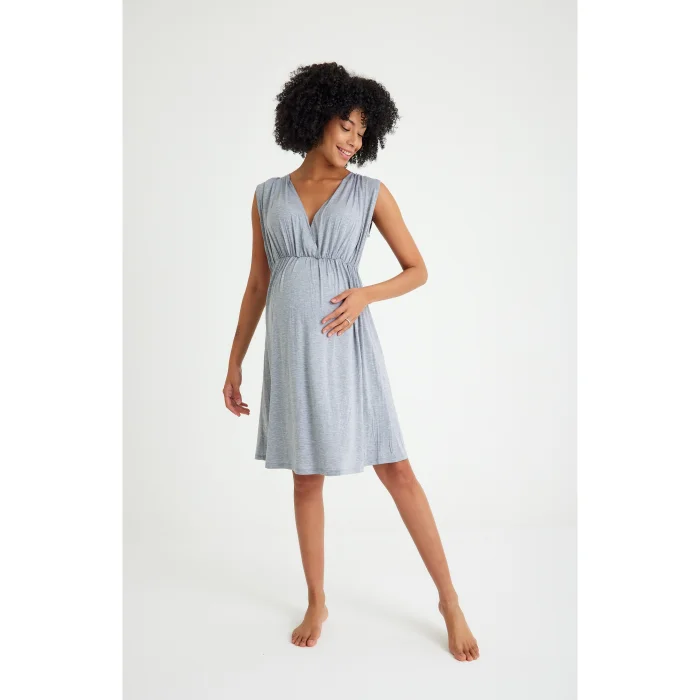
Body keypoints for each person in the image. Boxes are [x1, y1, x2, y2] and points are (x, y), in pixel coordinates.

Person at [223, 62, 479, 662]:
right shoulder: (266, 196)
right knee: (305, 477)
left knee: (397, 470)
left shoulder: (370, 193)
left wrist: (364, 294)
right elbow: (258, 284)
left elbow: (417, 270)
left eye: (363, 132)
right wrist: (234, 361)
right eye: (347, 125)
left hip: (348, 347)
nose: (354, 140)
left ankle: (449, 601)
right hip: (291, 349)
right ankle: (317, 600)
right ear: (316, 117)